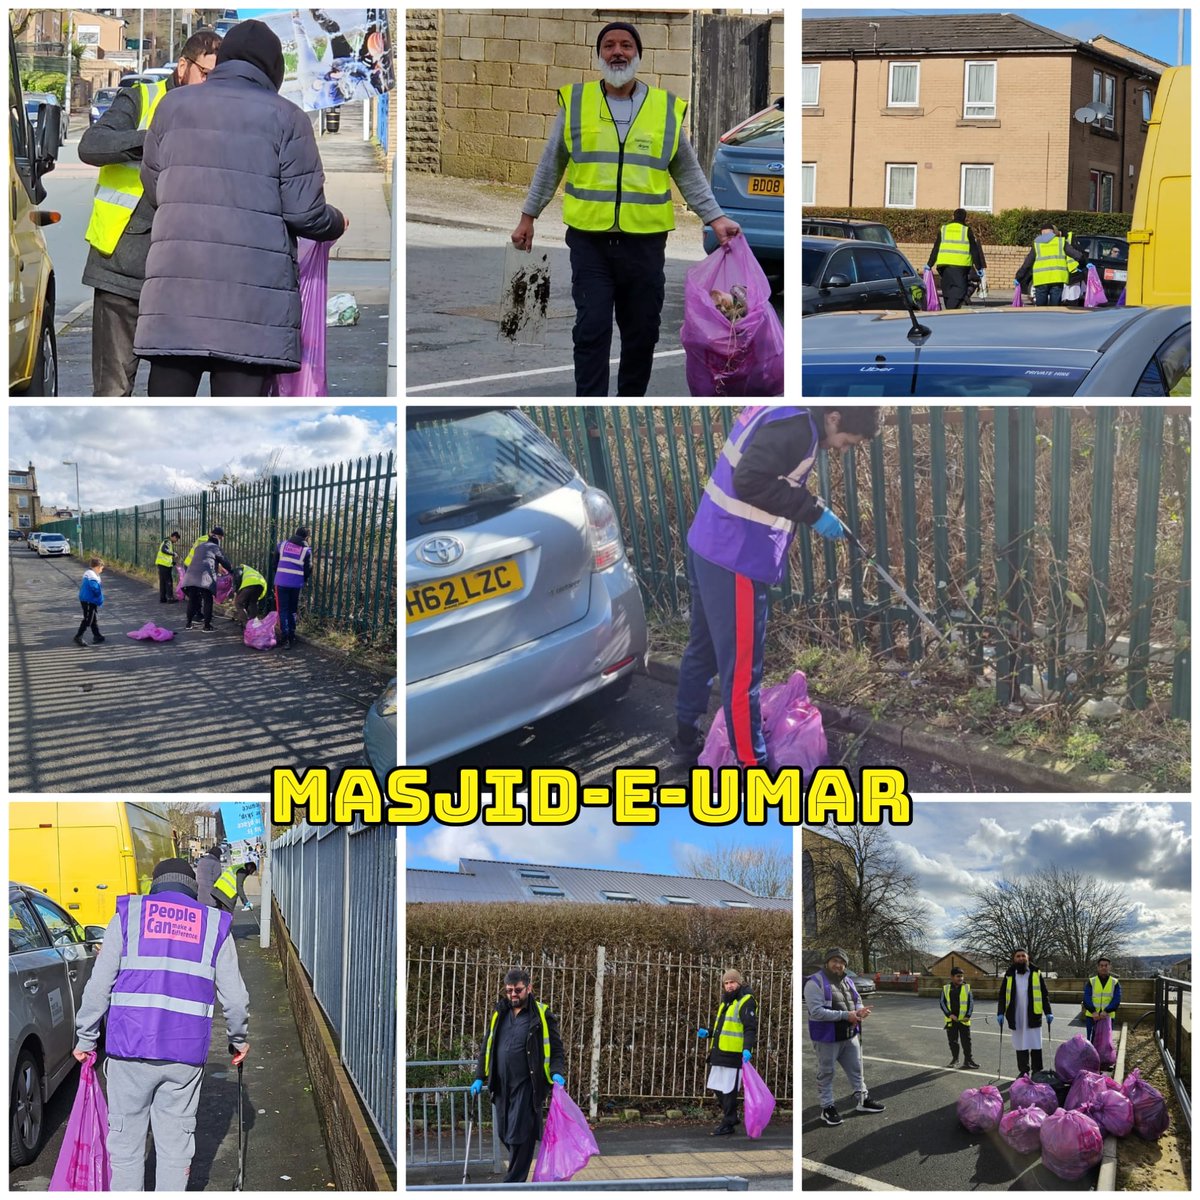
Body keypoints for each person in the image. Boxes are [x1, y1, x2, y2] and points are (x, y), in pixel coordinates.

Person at [511, 21, 742, 397]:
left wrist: (714, 218)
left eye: (626, 45)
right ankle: (591, 410)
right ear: (598, 55)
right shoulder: (576, 103)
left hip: (644, 245)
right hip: (590, 243)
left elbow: (686, 170)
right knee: (591, 330)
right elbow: (551, 163)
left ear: (639, 55)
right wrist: (528, 217)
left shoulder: (665, 108)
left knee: (642, 334)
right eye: (609, 45)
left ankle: (629, 400)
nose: (617, 52)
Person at [134, 20, 347, 397]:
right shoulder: (288, 118)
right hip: (251, 309)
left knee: (165, 422)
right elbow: (304, 212)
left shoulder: (171, 107)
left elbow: (155, 189)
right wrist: (335, 222)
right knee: (239, 426)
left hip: (175, 301)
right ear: (274, 69)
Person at [674, 407, 884, 767]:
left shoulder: (786, 412)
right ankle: (751, 767)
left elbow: (766, 474)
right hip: (734, 556)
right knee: (742, 671)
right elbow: (751, 481)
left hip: (708, 542)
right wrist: (812, 512)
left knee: (703, 650)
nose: (844, 450)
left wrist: (811, 504)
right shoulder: (798, 429)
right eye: (847, 441)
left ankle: (685, 740)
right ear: (834, 417)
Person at [72, 858, 250, 1190]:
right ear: (193, 888)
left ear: (153, 885)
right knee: (175, 1151)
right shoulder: (213, 924)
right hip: (184, 1058)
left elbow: (98, 987)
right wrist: (238, 1041)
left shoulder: (127, 916)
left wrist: (86, 1038)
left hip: (128, 1053)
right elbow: (236, 1000)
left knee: (125, 1149)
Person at [77, 33, 220, 397]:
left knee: (169, 397)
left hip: (180, 276)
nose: (210, 85)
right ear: (184, 66)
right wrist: (151, 139)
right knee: (113, 392)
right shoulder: (141, 98)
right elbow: (91, 145)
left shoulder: (220, 114)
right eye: (206, 74)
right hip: (121, 268)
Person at [470, 968, 567, 1183]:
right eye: (509, 991)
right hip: (502, 1085)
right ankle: (515, 1180)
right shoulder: (500, 1013)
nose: (513, 995)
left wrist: (557, 1072)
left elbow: (557, 1049)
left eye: (518, 990)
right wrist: (479, 1076)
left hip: (527, 1084)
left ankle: (512, 1185)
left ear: (529, 988)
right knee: (506, 1134)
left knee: (520, 1135)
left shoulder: (541, 1015)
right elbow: (487, 1046)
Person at [804, 949, 885, 1126]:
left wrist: (861, 1011)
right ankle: (827, 1108)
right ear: (827, 962)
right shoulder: (814, 982)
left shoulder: (848, 981)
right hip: (826, 1037)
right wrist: (847, 1015)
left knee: (857, 1069)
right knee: (826, 1073)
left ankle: (863, 1100)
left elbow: (857, 1001)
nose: (838, 965)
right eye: (834, 960)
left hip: (849, 1034)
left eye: (842, 962)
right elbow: (816, 1012)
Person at [697, 968, 757, 1136]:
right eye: (726, 983)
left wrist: (747, 1049)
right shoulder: (726, 1002)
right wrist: (709, 1033)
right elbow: (724, 1028)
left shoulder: (746, 1001)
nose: (729, 986)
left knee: (729, 1090)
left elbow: (749, 1028)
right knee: (716, 1086)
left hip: (734, 1053)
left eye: (732, 982)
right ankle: (732, 1117)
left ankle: (729, 1122)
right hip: (719, 1052)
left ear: (739, 983)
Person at [996, 947, 1053, 1078]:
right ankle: (1024, 1071)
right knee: (1020, 1044)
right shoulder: (1009, 974)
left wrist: (1048, 1012)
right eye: (1018, 956)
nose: (1021, 958)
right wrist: (1000, 1012)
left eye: (1023, 956)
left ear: (1028, 958)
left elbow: (1044, 994)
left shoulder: (1036, 973)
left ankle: (1037, 1071)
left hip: (1033, 1014)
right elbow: (1002, 995)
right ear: (1014, 959)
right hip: (1016, 1015)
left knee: (1035, 1043)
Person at [926, 208, 987, 309]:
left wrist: (929, 264)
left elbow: (936, 247)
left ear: (953, 216)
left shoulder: (944, 229)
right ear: (965, 218)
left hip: (944, 266)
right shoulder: (966, 230)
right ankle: (951, 310)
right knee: (960, 290)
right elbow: (974, 250)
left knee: (947, 288)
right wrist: (979, 267)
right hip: (960, 266)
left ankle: (949, 308)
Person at [1014, 223, 1087, 306]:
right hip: (1057, 279)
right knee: (1055, 309)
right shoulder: (1061, 242)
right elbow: (1078, 256)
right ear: (1053, 232)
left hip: (1041, 280)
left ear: (1041, 233)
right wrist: (1083, 265)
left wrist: (1018, 277)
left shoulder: (1037, 245)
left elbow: (1027, 263)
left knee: (1041, 310)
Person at [270, 526, 313, 648]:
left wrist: (279, 574)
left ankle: (285, 639)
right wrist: (302, 579)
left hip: (281, 582)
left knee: (283, 610)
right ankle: (292, 636)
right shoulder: (306, 551)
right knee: (292, 610)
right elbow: (308, 569)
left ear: (295, 533)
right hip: (296, 583)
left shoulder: (282, 545)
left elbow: (275, 563)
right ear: (306, 537)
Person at [181, 527, 231, 631]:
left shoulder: (199, 546)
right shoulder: (215, 547)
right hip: (205, 578)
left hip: (190, 576)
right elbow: (224, 561)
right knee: (208, 600)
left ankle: (188, 624)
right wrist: (231, 571)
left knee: (192, 600)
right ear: (216, 542)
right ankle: (207, 626)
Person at [940, 967, 980, 1069]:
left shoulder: (967, 988)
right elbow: (942, 1003)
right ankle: (955, 1059)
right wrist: (949, 1014)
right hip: (951, 1021)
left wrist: (968, 1016)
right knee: (953, 1041)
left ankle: (968, 1061)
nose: (960, 978)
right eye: (958, 976)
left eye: (962, 976)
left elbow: (971, 1003)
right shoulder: (946, 988)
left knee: (966, 1042)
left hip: (964, 1021)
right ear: (952, 977)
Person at [1082, 956, 1121, 1042]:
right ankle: (1092, 1056)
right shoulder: (1091, 981)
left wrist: (1106, 1011)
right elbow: (1086, 998)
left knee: (1105, 1041)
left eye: (1106, 965)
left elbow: (1116, 1000)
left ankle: (1102, 1056)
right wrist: (1093, 1011)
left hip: (1107, 1016)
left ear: (1110, 967)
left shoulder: (1115, 982)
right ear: (1098, 967)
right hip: (1092, 1016)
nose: (1103, 967)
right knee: (1091, 1040)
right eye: (1101, 965)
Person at [74, 556, 106, 646]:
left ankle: (97, 635)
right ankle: (78, 636)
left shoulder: (91, 573)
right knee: (88, 619)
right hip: (88, 599)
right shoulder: (92, 575)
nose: (101, 570)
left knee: (93, 618)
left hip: (89, 599)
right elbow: (94, 588)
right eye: (101, 568)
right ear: (97, 567)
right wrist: (99, 597)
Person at [155, 530, 182, 603]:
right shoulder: (168, 542)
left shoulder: (166, 541)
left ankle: (163, 598)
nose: (176, 541)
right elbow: (164, 550)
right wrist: (173, 553)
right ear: (173, 537)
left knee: (163, 582)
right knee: (169, 581)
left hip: (162, 564)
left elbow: (165, 556)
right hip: (165, 566)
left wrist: (173, 563)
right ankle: (170, 598)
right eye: (176, 539)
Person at [194, 844, 223, 909]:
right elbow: (217, 879)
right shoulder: (216, 863)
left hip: (200, 892)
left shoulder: (201, 861)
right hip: (210, 893)